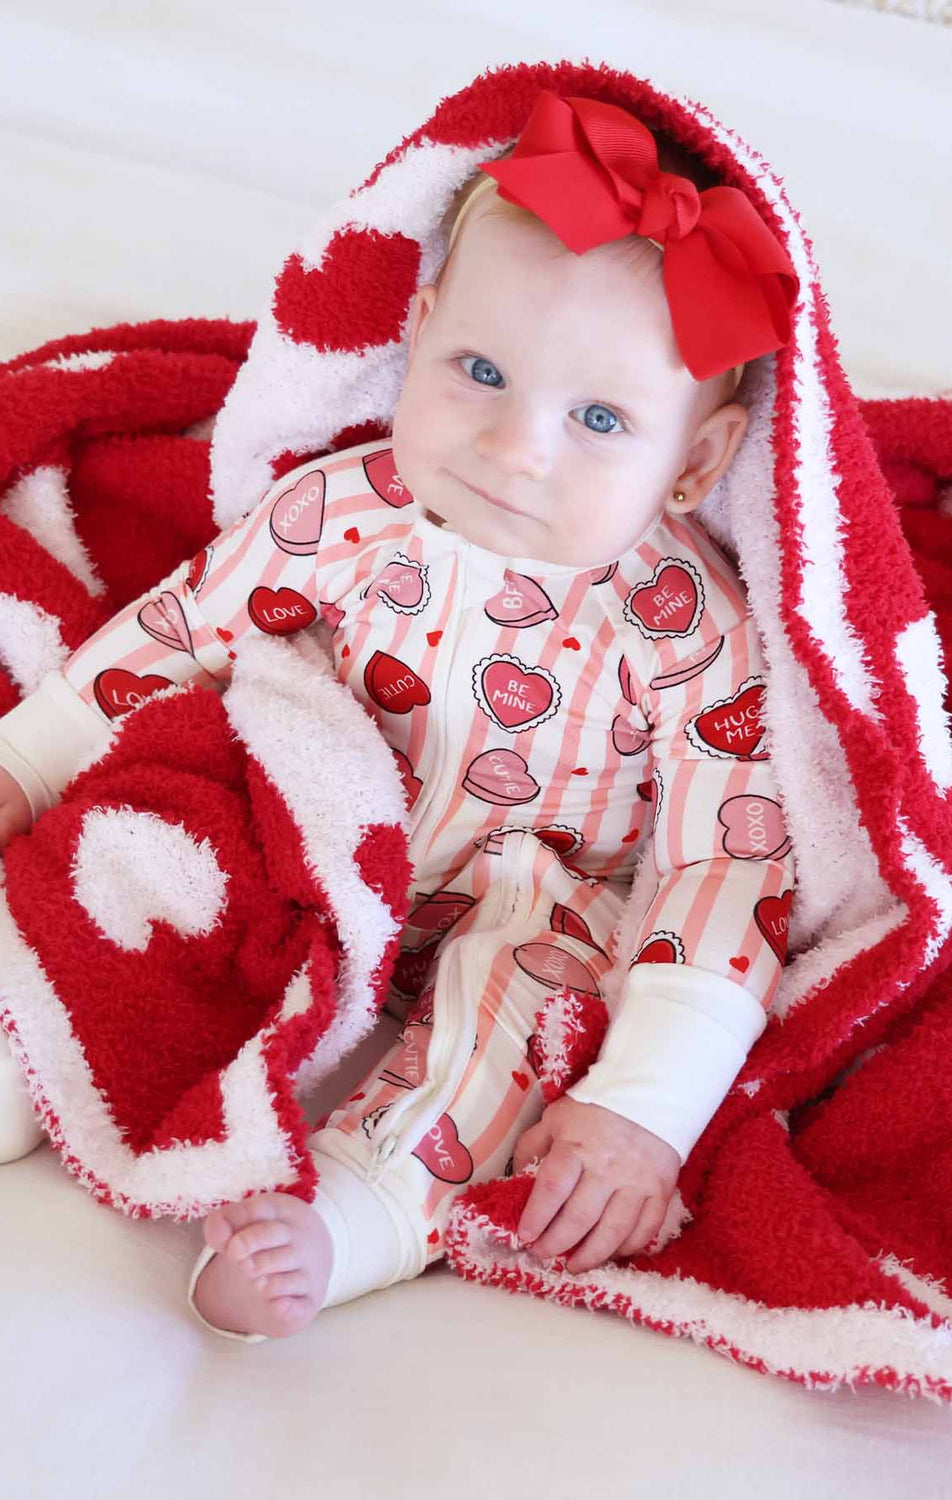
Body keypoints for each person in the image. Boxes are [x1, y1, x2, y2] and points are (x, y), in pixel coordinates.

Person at [0, 91, 797, 1340]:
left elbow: (725, 861)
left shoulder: (689, 629)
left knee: (513, 1020)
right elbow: (183, 630)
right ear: (418, 331)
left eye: (599, 421)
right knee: (157, 862)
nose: (513, 445)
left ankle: (354, 1217)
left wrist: (649, 1102)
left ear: (696, 464)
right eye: (479, 370)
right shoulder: (341, 512)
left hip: (536, 886)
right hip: (324, 814)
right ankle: (31, 1043)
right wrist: (29, 764)